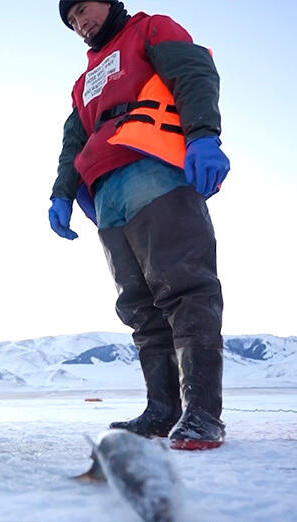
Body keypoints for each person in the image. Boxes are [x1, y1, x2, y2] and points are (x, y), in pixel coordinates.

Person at [49, 1, 230, 449]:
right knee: (139, 306)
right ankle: (162, 409)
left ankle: (202, 414)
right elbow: (74, 139)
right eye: (72, 21)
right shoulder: (83, 83)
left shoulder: (150, 30)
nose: (80, 23)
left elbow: (193, 73)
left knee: (185, 288)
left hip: (155, 172)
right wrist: (61, 192)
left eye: (83, 10)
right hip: (107, 195)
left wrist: (203, 136)